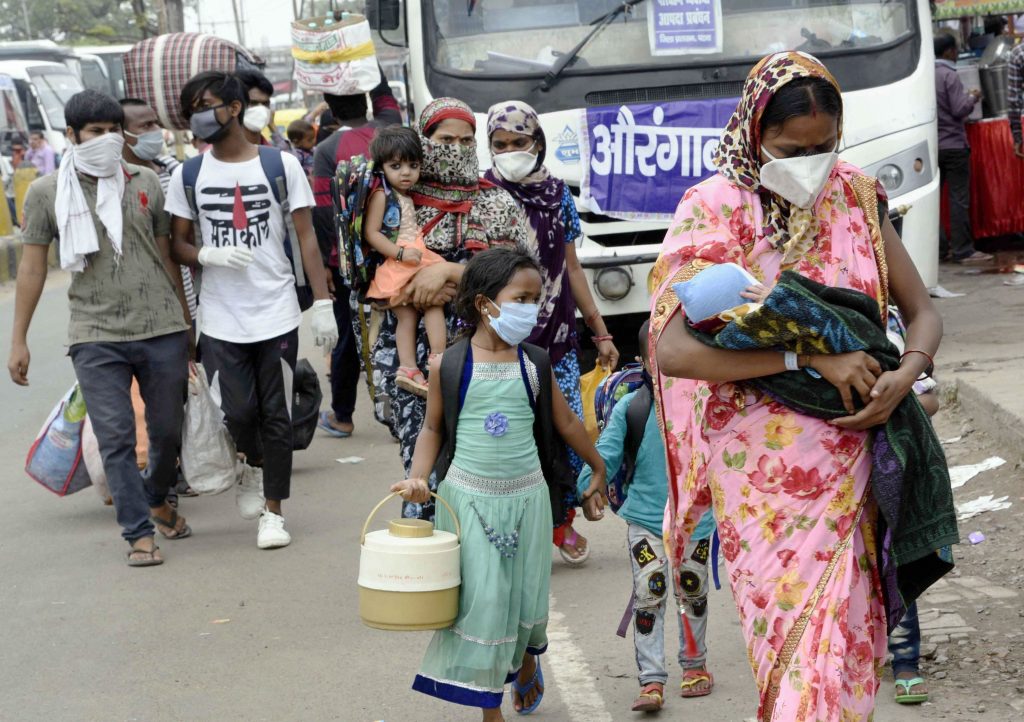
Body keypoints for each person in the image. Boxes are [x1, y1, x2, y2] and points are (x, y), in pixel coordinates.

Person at [650, 52, 946, 721]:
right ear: (756, 133)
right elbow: (675, 351)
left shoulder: (857, 194)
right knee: (799, 664)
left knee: (848, 651)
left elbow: (922, 311)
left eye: (825, 147)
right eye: (791, 151)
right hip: (762, 479)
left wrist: (907, 372)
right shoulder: (715, 207)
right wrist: (808, 359)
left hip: (858, 461)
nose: (811, 164)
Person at [391, 247, 607, 721]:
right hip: (468, 504)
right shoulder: (449, 365)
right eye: (521, 299)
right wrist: (418, 478)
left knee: (526, 598)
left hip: (528, 501)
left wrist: (598, 466)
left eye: (535, 299)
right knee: (485, 603)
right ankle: (491, 710)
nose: (531, 308)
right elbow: (433, 429)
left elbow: (566, 422)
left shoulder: (534, 362)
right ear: (484, 303)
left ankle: (527, 657)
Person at [8, 89, 191, 567]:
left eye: (114, 131)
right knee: (115, 437)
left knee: (167, 431)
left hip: (161, 327)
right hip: (94, 333)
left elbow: (166, 256)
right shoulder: (46, 192)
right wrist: (18, 339)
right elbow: (32, 267)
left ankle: (157, 498)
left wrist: (186, 324)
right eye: (95, 132)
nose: (107, 139)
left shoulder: (145, 180)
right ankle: (138, 533)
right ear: (72, 135)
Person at [166, 71, 338, 550]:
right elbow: (176, 244)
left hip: (276, 308)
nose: (199, 116)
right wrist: (207, 255)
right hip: (220, 315)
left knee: (276, 413)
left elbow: (306, 235)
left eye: (207, 104)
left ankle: (273, 512)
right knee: (238, 412)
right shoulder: (188, 175)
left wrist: (323, 303)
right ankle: (252, 463)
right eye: (192, 109)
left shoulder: (280, 165)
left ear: (235, 107)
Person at [378, 97, 529, 523]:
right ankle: (428, 546)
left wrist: (449, 273)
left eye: (466, 141)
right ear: (423, 140)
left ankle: (481, 544)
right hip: (413, 359)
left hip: (481, 351)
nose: (456, 149)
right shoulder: (397, 201)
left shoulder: (496, 201)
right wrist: (412, 287)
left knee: (479, 455)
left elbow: (519, 280)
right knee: (421, 454)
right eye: (445, 140)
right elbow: (370, 271)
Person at [483, 100, 620, 565]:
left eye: (519, 142)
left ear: (537, 143)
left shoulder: (558, 193)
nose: (510, 151)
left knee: (566, 435)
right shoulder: (483, 193)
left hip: (557, 337)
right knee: (510, 435)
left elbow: (572, 267)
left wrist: (600, 331)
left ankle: (561, 523)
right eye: (500, 144)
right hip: (502, 335)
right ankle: (514, 529)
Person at [577, 321, 716, 711]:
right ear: (643, 361)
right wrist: (591, 484)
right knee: (650, 592)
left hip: (696, 520)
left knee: (693, 590)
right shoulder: (632, 407)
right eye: (660, 355)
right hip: (645, 519)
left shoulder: (705, 404)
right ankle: (652, 679)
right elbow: (606, 452)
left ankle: (695, 665)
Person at [311, 74, 402, 439]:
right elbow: (386, 95)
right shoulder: (390, 128)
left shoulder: (327, 149)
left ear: (331, 110)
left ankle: (342, 416)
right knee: (401, 331)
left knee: (349, 337)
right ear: (366, 101)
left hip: (350, 260)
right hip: (398, 250)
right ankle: (402, 415)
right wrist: (366, 64)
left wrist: (326, 262)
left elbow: (323, 210)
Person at [884, 306, 940, 706]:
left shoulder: (889, 322)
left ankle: (905, 662)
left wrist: (893, 407)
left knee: (896, 562)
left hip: (893, 463)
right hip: (828, 471)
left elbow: (930, 399)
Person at [364, 126, 446, 396]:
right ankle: (438, 358)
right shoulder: (382, 195)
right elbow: (372, 233)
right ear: (382, 167)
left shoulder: (403, 194)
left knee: (409, 315)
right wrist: (399, 253)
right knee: (431, 303)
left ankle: (409, 368)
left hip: (411, 256)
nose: (406, 172)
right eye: (396, 166)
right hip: (401, 262)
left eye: (413, 165)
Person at [120, 98, 198, 325]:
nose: (156, 131)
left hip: (183, 296)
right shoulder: (110, 185)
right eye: (146, 126)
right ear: (121, 134)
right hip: (133, 306)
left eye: (156, 123)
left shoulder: (176, 175)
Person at [934, 33, 991, 264]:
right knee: (958, 199)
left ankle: (938, 250)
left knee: (934, 203)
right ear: (949, 51)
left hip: (934, 146)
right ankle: (963, 250)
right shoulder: (949, 75)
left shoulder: (927, 75)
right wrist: (973, 97)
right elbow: (959, 109)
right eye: (955, 50)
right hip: (954, 146)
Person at [235, 69, 290, 150]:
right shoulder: (220, 151)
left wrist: (272, 126)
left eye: (265, 104)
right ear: (235, 107)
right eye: (253, 103)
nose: (261, 109)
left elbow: (288, 156)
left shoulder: (271, 150)